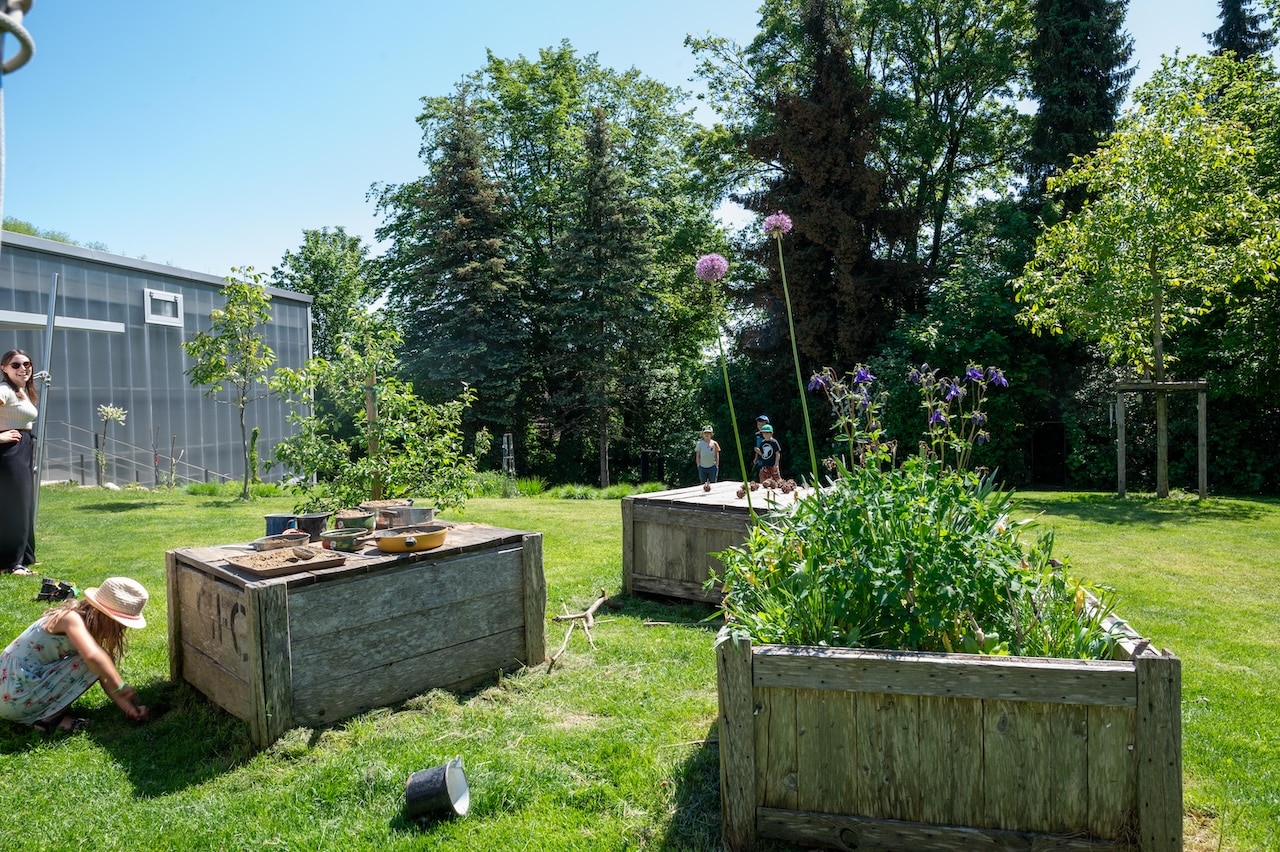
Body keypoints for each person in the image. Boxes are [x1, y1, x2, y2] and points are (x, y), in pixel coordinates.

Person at [0, 577, 150, 732]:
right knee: (95, 660)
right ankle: (48, 720)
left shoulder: (75, 619)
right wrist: (120, 685)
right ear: (104, 616)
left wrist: (130, 709)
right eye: (118, 626)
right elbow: (94, 658)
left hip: (9, 690)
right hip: (15, 694)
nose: (120, 631)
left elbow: (101, 669)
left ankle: (43, 713)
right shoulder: (70, 619)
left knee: (101, 661)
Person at [1, 349, 39, 575]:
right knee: (14, 507)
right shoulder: (4, 390)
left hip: (23, 448)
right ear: (4, 368)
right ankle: (11, 563)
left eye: (27, 364)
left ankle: (24, 557)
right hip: (9, 451)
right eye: (15, 365)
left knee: (24, 505)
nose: (23, 368)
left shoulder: (22, 391)